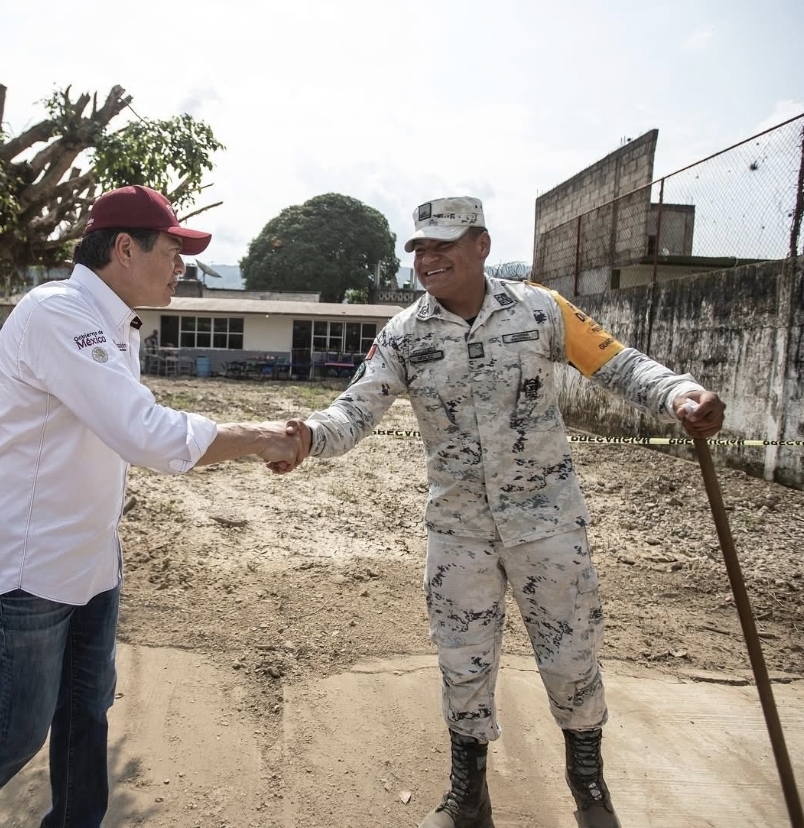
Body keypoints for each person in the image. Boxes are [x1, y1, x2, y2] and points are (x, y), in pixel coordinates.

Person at [0, 184, 308, 828]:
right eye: (174, 249)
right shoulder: (59, 313)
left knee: (85, 710)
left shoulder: (114, 323)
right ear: (124, 248)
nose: (182, 264)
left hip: (91, 554)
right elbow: (147, 435)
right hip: (34, 562)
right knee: (14, 730)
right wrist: (259, 436)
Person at [283, 196, 725, 828]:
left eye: (443, 245)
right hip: (459, 530)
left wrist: (682, 393)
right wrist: (304, 439)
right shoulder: (403, 334)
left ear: (481, 245)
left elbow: (618, 363)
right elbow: (355, 408)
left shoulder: (541, 309)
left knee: (571, 656)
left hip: (547, 522)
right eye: (420, 249)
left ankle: (589, 788)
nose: (428, 259)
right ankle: (469, 795)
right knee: (462, 660)